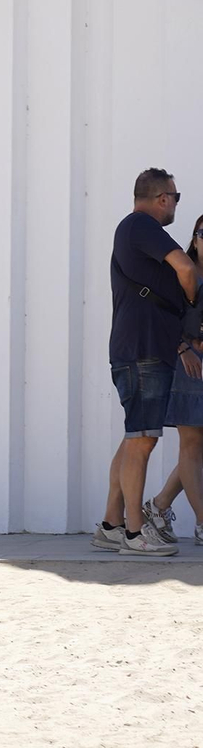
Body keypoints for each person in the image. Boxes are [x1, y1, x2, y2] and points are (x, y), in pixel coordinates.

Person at [97, 168, 198, 557]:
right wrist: (190, 302)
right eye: (175, 196)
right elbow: (186, 269)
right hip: (143, 350)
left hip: (137, 347)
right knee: (143, 439)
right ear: (162, 198)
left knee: (135, 436)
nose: (175, 203)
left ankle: (111, 524)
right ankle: (135, 535)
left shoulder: (132, 229)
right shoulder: (141, 225)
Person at [140, 212, 203, 546]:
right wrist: (182, 348)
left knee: (198, 449)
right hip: (189, 366)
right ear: (194, 238)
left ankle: (159, 506)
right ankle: (202, 525)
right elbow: (162, 315)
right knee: (192, 445)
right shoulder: (181, 274)